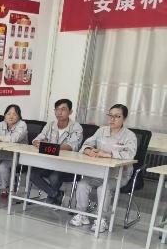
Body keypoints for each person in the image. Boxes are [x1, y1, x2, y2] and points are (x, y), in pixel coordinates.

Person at [70, 104, 137, 233]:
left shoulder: (130, 136)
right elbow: (86, 145)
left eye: (117, 116)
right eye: (110, 115)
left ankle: (101, 219)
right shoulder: (102, 131)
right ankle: (81, 214)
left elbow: (130, 154)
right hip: (99, 172)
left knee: (104, 188)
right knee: (82, 184)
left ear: (124, 119)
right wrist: (89, 151)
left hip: (118, 175)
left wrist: (109, 155)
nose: (112, 119)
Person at [31, 99, 83, 205]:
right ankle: (56, 195)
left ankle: (52, 197)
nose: (59, 112)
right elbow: (36, 139)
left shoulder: (76, 127)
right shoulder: (50, 125)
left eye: (63, 109)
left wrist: (51, 147)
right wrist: (38, 143)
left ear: (70, 112)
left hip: (66, 164)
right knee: (32, 174)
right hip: (49, 162)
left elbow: (72, 146)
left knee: (54, 177)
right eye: (57, 109)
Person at [0, 104, 28, 198]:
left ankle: (4, 187)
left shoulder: (22, 125)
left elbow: (14, 139)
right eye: (8, 114)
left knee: (2, 166)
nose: (11, 116)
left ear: (19, 117)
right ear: (5, 115)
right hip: (3, 153)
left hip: (18, 156)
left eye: (14, 114)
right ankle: (7, 184)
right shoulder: (1, 124)